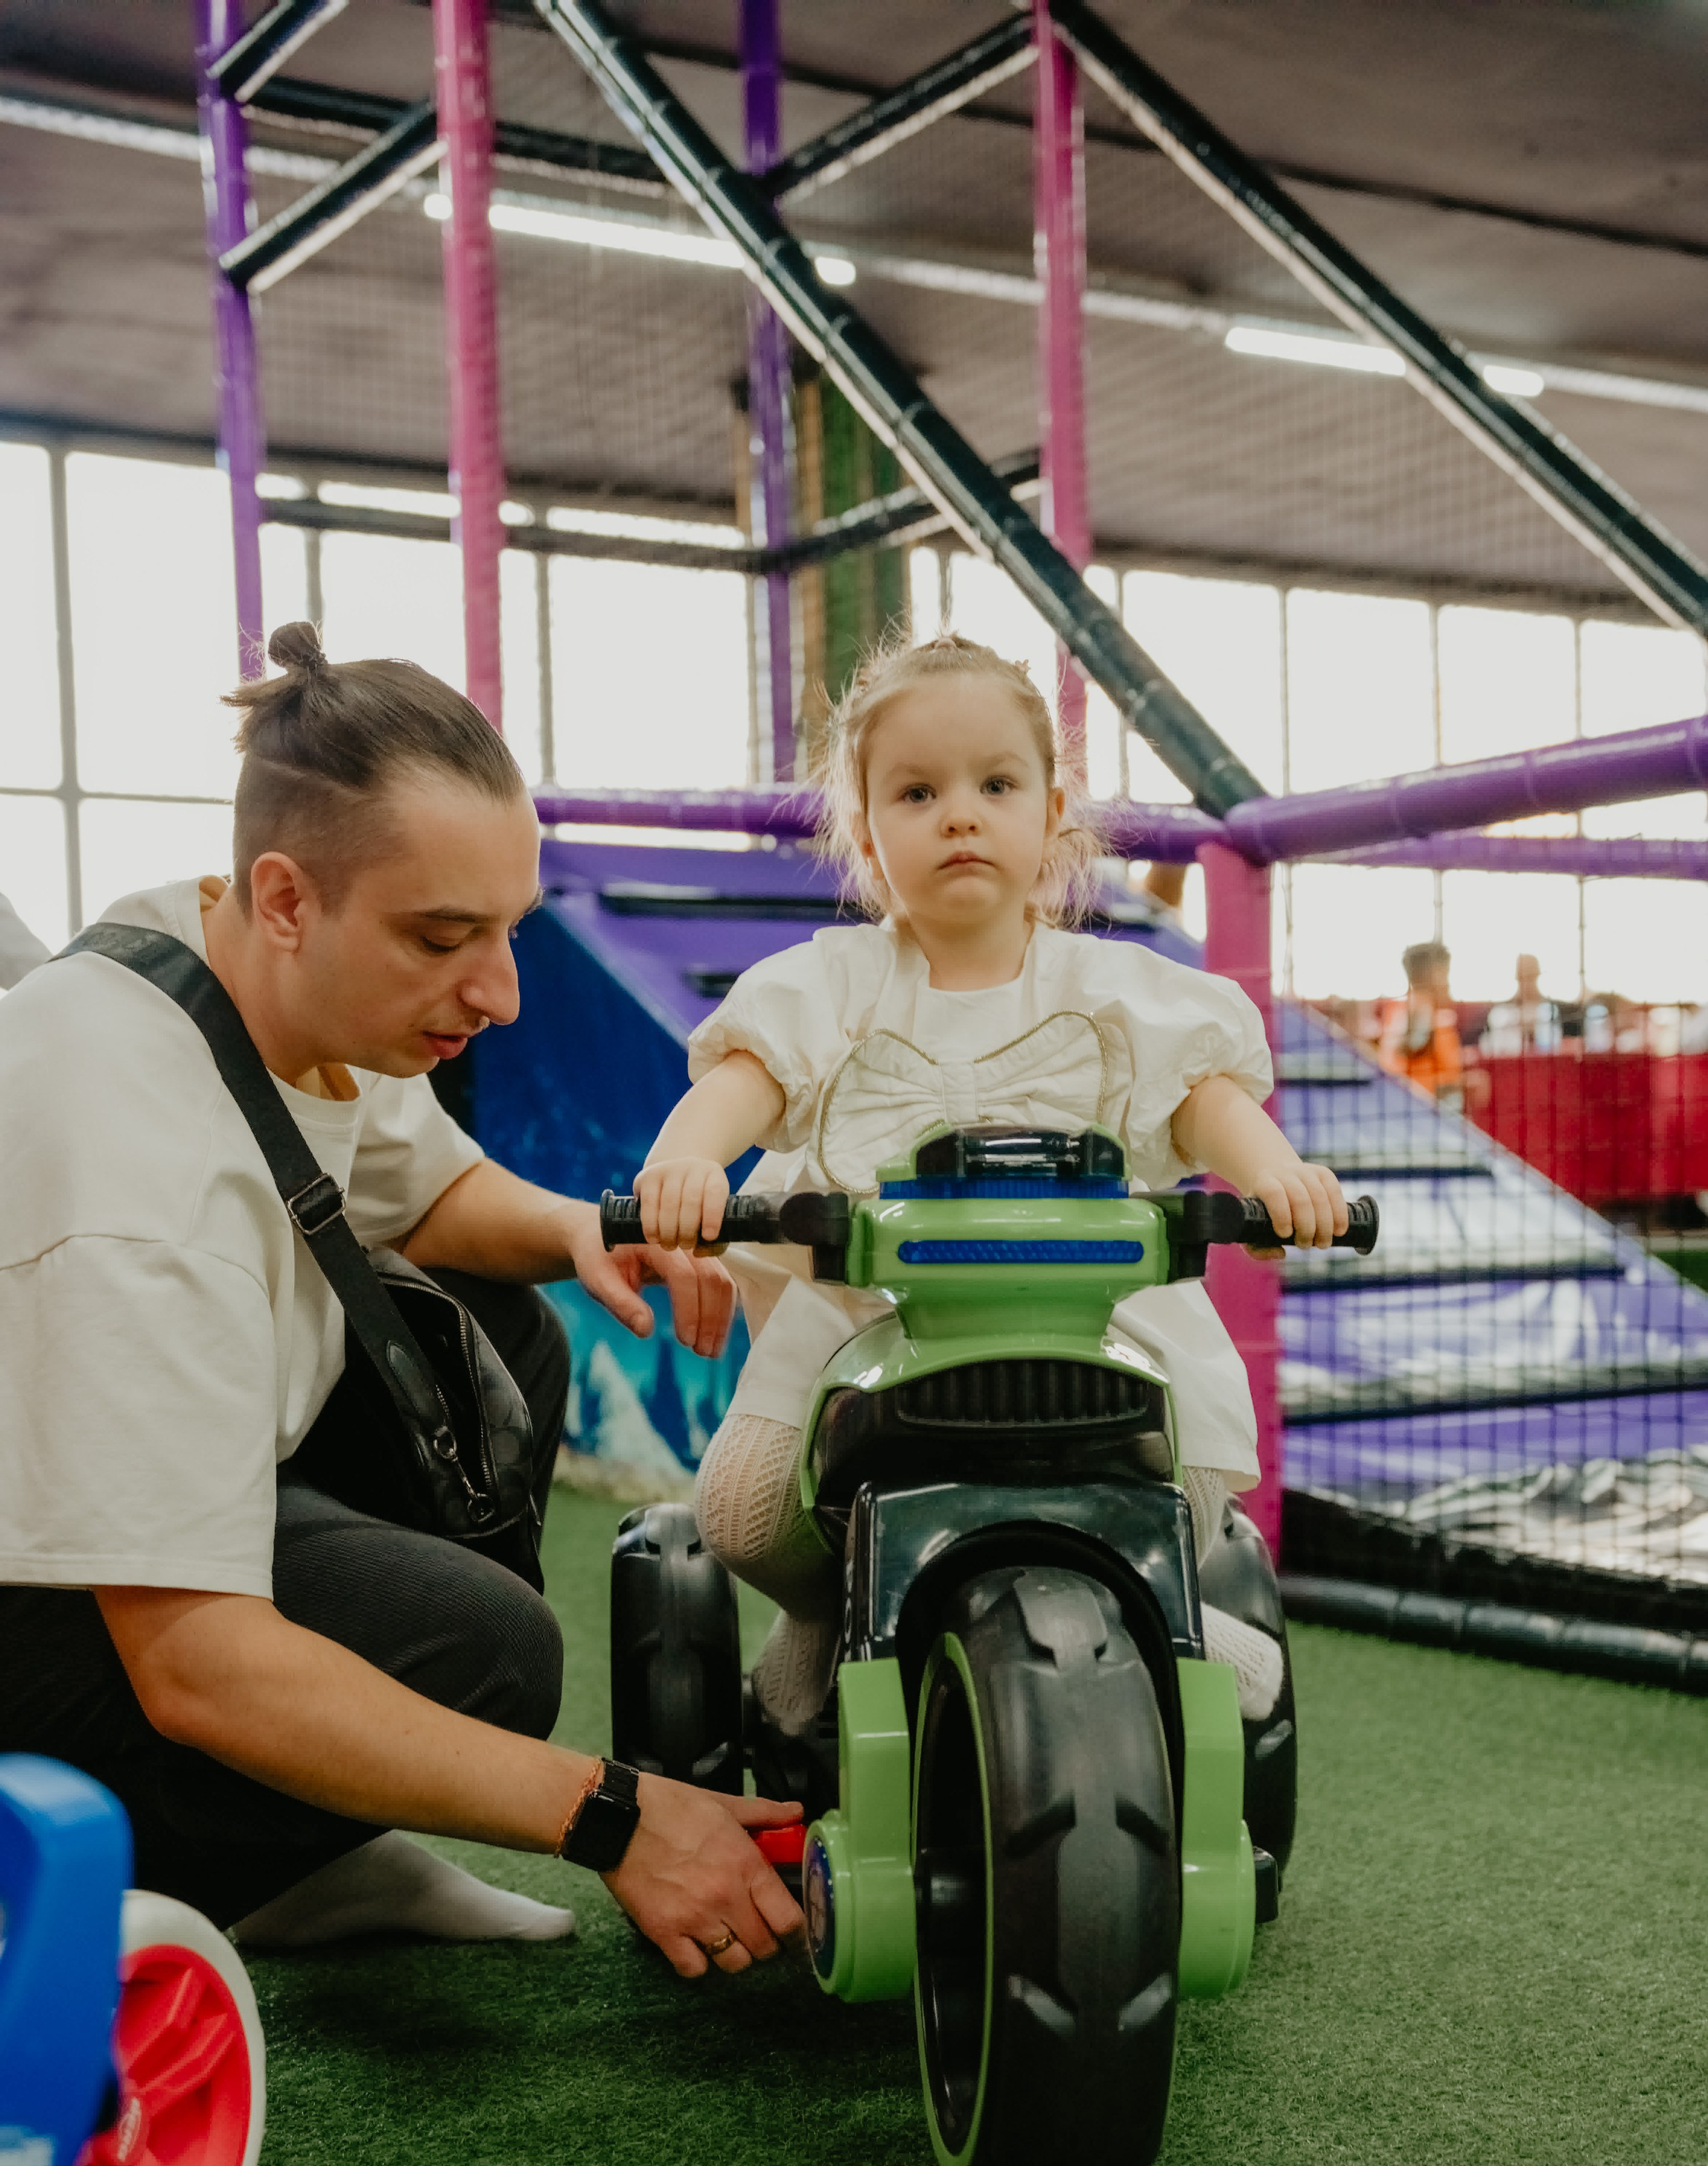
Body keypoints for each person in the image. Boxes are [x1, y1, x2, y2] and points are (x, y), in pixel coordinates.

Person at [0, 625, 803, 1981]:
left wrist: (585, 1231)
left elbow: (413, 1186)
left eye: (505, 930)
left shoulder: (228, 950)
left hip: (165, 1496)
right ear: (287, 898)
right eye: (444, 939)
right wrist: (613, 1814)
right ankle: (165, 1875)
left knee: (501, 1321)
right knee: (483, 1650)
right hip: (43, 1605)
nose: (496, 993)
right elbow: (195, 1661)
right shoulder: (130, 1165)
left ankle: (309, 1838)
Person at [628, 632, 1349, 1740]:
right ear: (867, 835)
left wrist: (1278, 1176)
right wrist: (683, 1161)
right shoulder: (830, 986)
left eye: (995, 784)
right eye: (918, 791)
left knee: (1192, 1475)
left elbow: (1205, 1099)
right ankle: (831, 1612)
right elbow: (743, 1080)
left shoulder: (1113, 991)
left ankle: (1174, 1610)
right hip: (867, 1312)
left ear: (1052, 814)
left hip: (1095, 1310)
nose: (960, 814)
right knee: (743, 1508)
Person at [1378, 939, 1464, 1107]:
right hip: (1420, 1110)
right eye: (1445, 975)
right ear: (1433, 976)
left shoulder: (1412, 1010)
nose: (1448, 984)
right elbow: (1403, 1063)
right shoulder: (1419, 1012)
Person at [1482, 952, 1562, 1057]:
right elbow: (1496, 1049)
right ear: (1518, 978)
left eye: (1532, 978)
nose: (1528, 983)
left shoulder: (1549, 1010)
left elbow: (1553, 1047)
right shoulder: (1501, 1012)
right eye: (1524, 978)